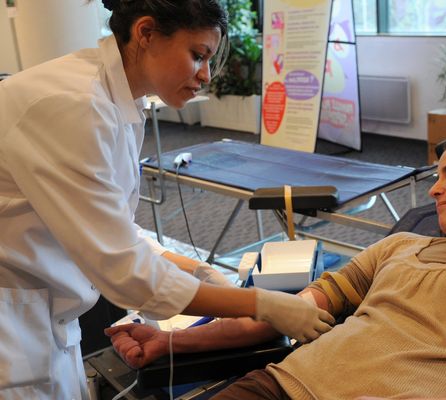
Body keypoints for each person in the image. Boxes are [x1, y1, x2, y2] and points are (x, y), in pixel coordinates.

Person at [0, 1, 334, 398]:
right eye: (197, 56)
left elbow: (112, 227)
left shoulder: (117, 101)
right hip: (14, 329)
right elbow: (125, 270)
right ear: (146, 33)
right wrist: (261, 304)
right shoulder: (73, 105)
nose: (206, 75)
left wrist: (191, 268)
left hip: (42, 322)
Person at [107, 130, 446, 400]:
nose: (436, 189)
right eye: (437, 176)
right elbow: (278, 315)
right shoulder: (398, 246)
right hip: (282, 385)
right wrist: (172, 341)